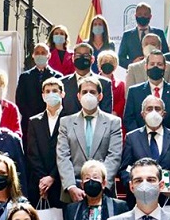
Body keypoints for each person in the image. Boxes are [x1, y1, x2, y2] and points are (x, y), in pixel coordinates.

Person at [56, 76, 123, 203]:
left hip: (103, 191)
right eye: (84, 92)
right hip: (74, 192)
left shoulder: (113, 122)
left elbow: (114, 155)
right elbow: (63, 156)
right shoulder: (66, 122)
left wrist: (102, 185)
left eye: (92, 92)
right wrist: (71, 186)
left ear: (100, 96)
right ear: (78, 96)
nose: (88, 95)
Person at [119, 95, 170, 207]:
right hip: (138, 200)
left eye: (157, 109)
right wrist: (135, 185)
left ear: (164, 114)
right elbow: (125, 168)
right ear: (142, 114)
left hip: (166, 200)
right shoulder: (131, 138)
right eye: (149, 109)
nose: (153, 112)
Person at [122, 49, 170, 135]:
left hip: (169, 143)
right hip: (141, 142)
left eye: (159, 64)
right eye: (152, 64)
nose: (155, 67)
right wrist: (141, 138)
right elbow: (129, 119)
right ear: (146, 67)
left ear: (165, 67)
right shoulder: (134, 92)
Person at [26, 77, 65, 208]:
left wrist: (52, 177)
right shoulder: (34, 121)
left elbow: (69, 151)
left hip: (62, 183)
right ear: (43, 96)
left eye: (55, 91)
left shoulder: (71, 119)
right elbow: (32, 153)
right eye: (47, 91)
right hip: (39, 184)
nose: (51, 94)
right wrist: (43, 179)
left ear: (62, 94)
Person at [16, 43, 63, 149]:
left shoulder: (58, 77)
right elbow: (20, 100)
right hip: (29, 122)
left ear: (49, 55)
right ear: (33, 55)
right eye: (37, 53)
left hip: (52, 120)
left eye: (43, 53)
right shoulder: (25, 77)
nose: (40, 55)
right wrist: (32, 116)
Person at [60, 42, 114, 116]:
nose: (82, 58)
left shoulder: (104, 83)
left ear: (92, 59)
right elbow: (60, 111)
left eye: (86, 56)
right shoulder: (62, 83)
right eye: (78, 55)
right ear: (73, 58)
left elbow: (106, 113)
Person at [118, 2, 169, 69]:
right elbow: (120, 58)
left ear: (150, 16)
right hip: (135, 72)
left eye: (145, 14)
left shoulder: (159, 33)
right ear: (135, 16)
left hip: (156, 70)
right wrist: (132, 62)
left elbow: (166, 55)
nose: (142, 17)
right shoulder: (127, 35)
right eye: (139, 14)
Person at [97, 50, 126, 119]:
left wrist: (114, 112)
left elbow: (122, 101)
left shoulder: (121, 84)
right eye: (105, 61)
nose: (107, 63)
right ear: (99, 64)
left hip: (114, 118)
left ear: (115, 65)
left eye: (110, 62)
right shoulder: (93, 82)